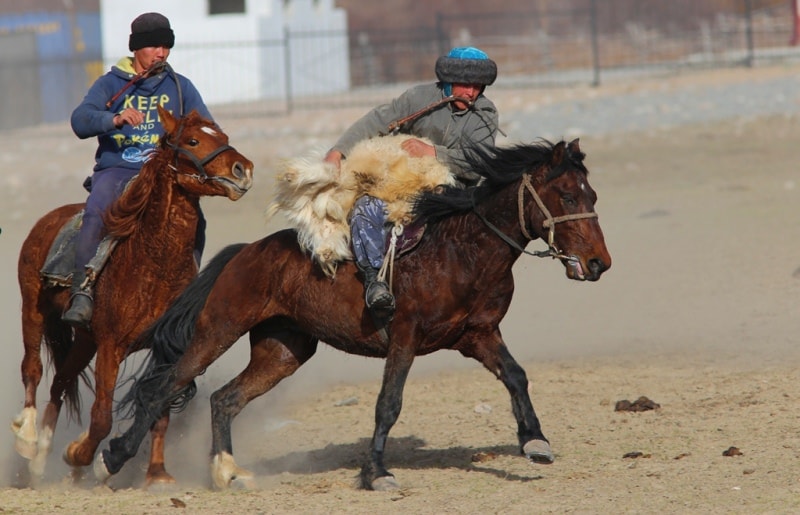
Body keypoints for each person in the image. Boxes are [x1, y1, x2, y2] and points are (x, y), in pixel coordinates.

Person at [323, 46, 500, 320]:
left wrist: (434, 153)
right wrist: (338, 151)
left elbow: (478, 161)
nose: (471, 93)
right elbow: (377, 120)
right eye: (466, 84)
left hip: (454, 192)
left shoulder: (486, 113)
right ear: (449, 80)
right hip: (401, 184)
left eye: (478, 86)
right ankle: (374, 283)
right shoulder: (418, 97)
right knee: (365, 209)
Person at [62, 12, 214, 328]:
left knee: (195, 220)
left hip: (162, 174)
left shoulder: (180, 86)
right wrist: (113, 119)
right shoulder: (109, 84)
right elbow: (80, 121)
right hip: (117, 169)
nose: (162, 53)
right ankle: (82, 290)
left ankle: (187, 289)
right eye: (154, 46)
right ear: (137, 48)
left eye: (166, 46)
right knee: (96, 213)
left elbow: (207, 128)